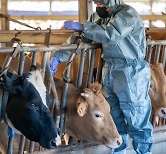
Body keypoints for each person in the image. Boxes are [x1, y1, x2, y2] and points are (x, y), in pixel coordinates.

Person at [50, 0, 153, 153]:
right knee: (114, 117)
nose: (98, 5)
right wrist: (59, 56)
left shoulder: (128, 14)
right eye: (96, 2)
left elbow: (111, 33)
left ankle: (145, 152)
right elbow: (81, 37)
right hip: (110, 69)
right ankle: (119, 151)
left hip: (131, 71)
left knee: (136, 118)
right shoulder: (97, 17)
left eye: (102, 2)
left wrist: (84, 27)